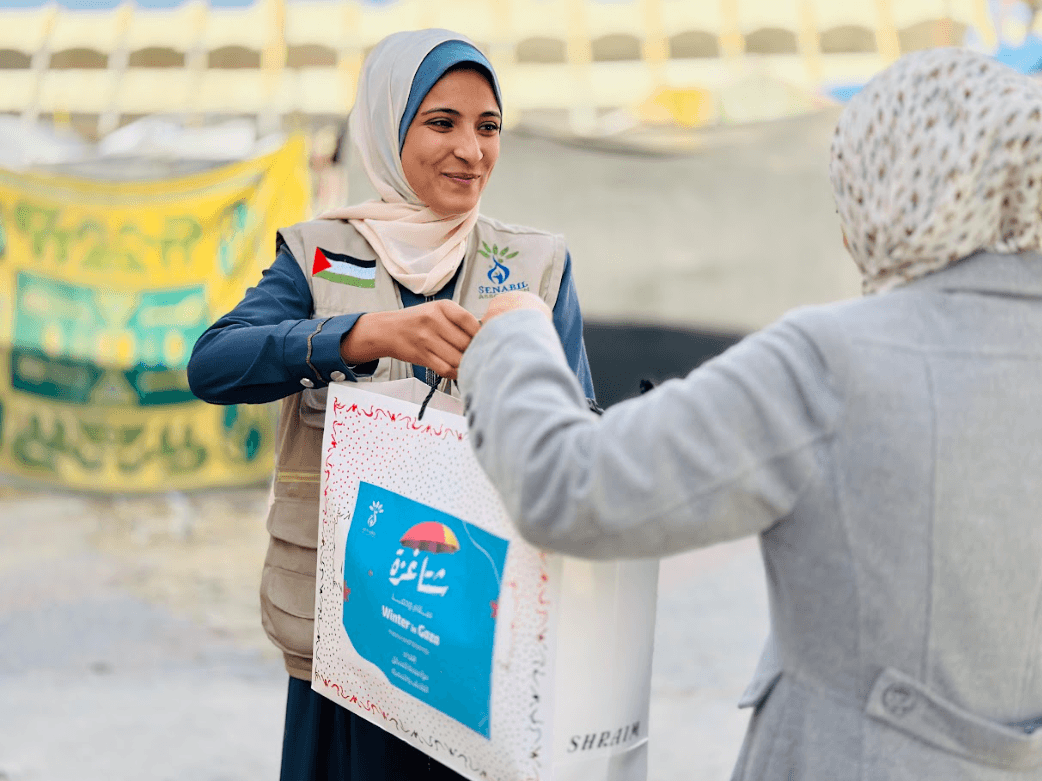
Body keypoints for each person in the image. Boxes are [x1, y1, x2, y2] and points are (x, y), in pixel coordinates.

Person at [461, 48, 1042, 780]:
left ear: (901, 190)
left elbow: (570, 486)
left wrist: (512, 333)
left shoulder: (836, 360)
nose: (843, 229)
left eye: (850, 195)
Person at [187, 29, 594, 781]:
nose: (471, 150)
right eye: (442, 123)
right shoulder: (315, 254)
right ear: (385, 127)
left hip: (482, 657)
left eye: (488, 126)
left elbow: (579, 451)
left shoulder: (537, 265)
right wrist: (365, 334)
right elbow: (213, 364)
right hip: (349, 650)